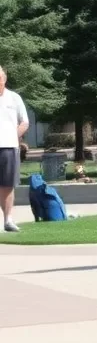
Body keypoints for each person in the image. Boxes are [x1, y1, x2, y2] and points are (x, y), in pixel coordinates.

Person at [0, 65, 29, 233]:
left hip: (9, 147)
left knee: (8, 185)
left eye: (0, 78)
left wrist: (13, 135)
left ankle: (8, 219)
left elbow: (24, 122)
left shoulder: (14, 98)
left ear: (4, 78)